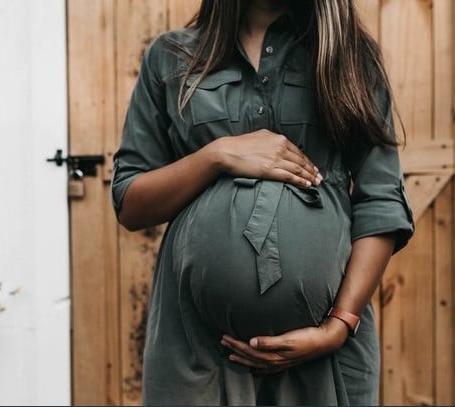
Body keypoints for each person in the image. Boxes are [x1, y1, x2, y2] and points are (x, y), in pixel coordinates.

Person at [111, 0, 414, 405]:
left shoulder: (348, 55)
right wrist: (216, 156)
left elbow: (382, 201)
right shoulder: (171, 58)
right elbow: (131, 203)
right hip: (198, 354)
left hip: (324, 356)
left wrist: (338, 325)